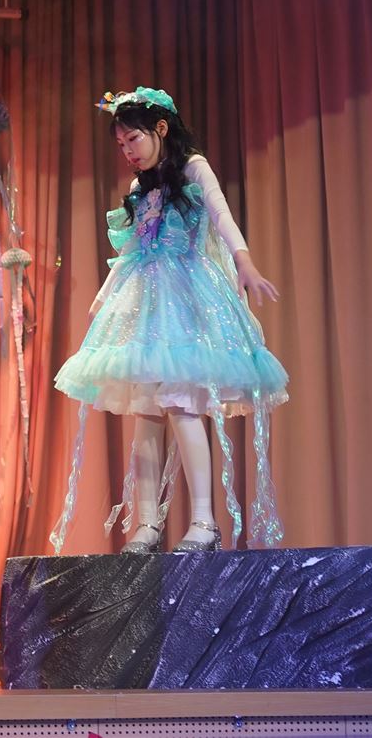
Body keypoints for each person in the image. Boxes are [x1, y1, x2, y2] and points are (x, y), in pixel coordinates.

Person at [49, 87, 289, 556]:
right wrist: (103, 297)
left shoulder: (193, 168)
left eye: (133, 139)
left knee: (180, 403)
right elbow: (133, 249)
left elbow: (221, 214)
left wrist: (244, 260)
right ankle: (147, 523)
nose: (128, 151)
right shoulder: (139, 188)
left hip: (186, 298)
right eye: (121, 144)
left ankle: (203, 521)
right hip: (145, 302)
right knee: (146, 412)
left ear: (161, 129)